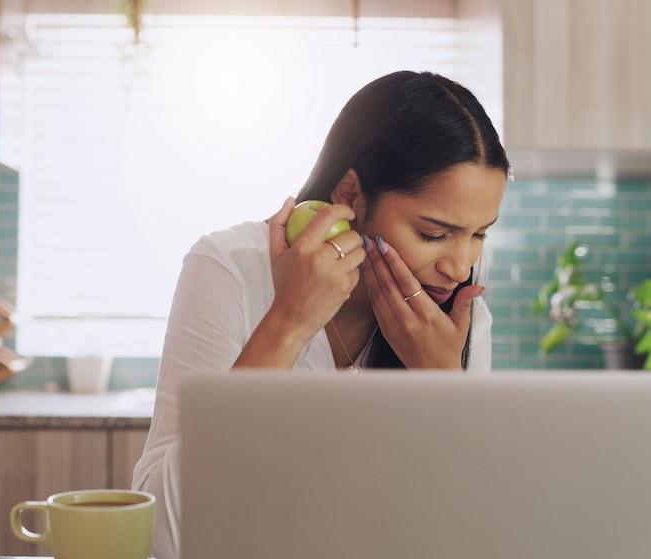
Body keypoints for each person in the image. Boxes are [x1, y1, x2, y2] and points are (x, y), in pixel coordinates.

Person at [132, 70, 511, 558]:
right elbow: (165, 533)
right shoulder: (230, 268)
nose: (458, 267)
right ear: (351, 196)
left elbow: (474, 535)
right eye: (434, 234)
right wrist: (288, 322)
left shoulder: (458, 320)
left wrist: (441, 382)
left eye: (479, 234)